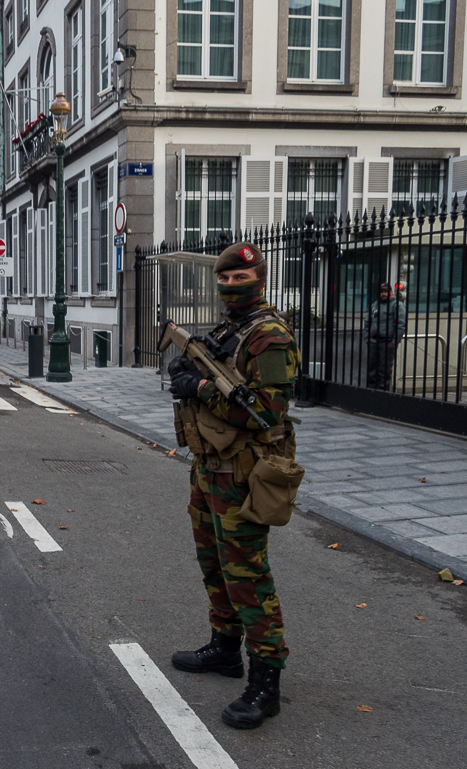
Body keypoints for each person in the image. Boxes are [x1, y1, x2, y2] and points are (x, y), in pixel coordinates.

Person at [166, 242, 301, 730]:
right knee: (214, 564)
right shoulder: (229, 331)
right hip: (210, 468)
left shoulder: (271, 337)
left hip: (244, 474)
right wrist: (188, 372)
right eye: (224, 283)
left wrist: (199, 388)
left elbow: (266, 411)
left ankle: (267, 681)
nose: (229, 290)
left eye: (239, 283)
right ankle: (225, 648)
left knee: (247, 574)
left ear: (259, 281)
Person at [363, 282, 406, 391]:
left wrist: (394, 342)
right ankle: (371, 391)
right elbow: (367, 322)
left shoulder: (397, 305)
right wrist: (368, 338)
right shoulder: (375, 305)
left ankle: (383, 392)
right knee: (372, 369)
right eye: (382, 292)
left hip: (387, 342)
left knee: (384, 370)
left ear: (391, 292)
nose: (383, 294)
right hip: (373, 342)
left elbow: (400, 325)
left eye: (386, 292)